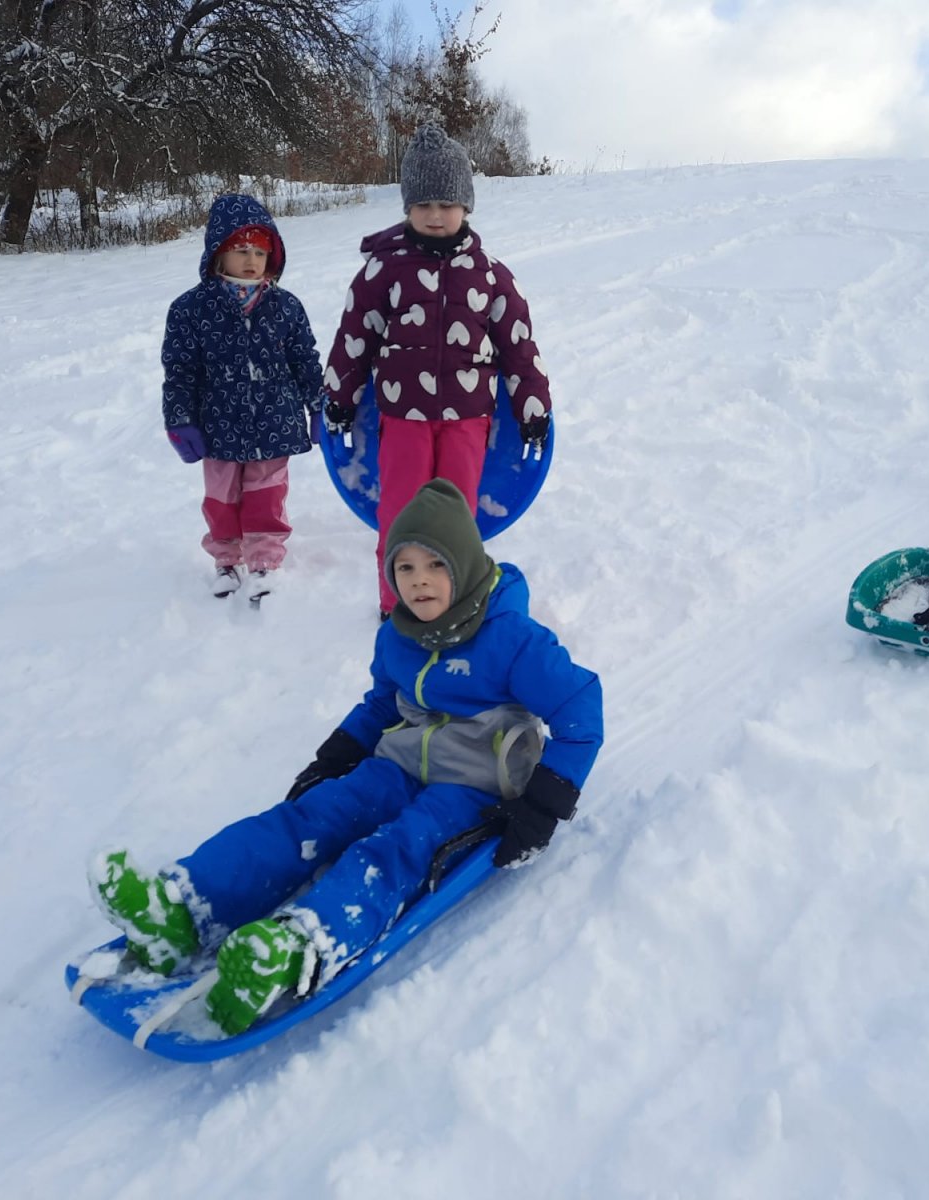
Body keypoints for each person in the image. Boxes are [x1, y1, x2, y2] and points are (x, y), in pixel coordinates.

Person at [88, 479, 603, 1035]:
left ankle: (296, 948)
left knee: (398, 849)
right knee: (308, 818)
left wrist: (543, 805)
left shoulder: (513, 640)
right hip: (398, 764)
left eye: (436, 565)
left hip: (474, 784)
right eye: (405, 568)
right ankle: (181, 910)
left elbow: (581, 709)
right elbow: (383, 703)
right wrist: (337, 756)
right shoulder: (400, 636)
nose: (419, 581)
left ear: (466, 567)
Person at [322, 122, 553, 617]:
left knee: (456, 514)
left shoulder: (490, 275)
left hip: (468, 418)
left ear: (466, 206)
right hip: (402, 417)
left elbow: (518, 346)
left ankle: (454, 603)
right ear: (407, 206)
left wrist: (533, 409)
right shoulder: (384, 270)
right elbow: (354, 338)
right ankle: (396, 606)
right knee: (401, 510)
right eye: (423, 203)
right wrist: (339, 399)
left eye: (446, 203)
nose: (434, 215)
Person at [161, 193, 325, 599]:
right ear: (219, 253)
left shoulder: (286, 306)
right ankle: (226, 559)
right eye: (241, 250)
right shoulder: (190, 310)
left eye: (260, 251)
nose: (252, 260)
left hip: (275, 419)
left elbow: (305, 360)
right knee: (222, 497)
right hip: (218, 423)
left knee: (267, 494)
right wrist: (179, 418)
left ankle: (264, 560)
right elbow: (180, 370)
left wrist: (319, 406)